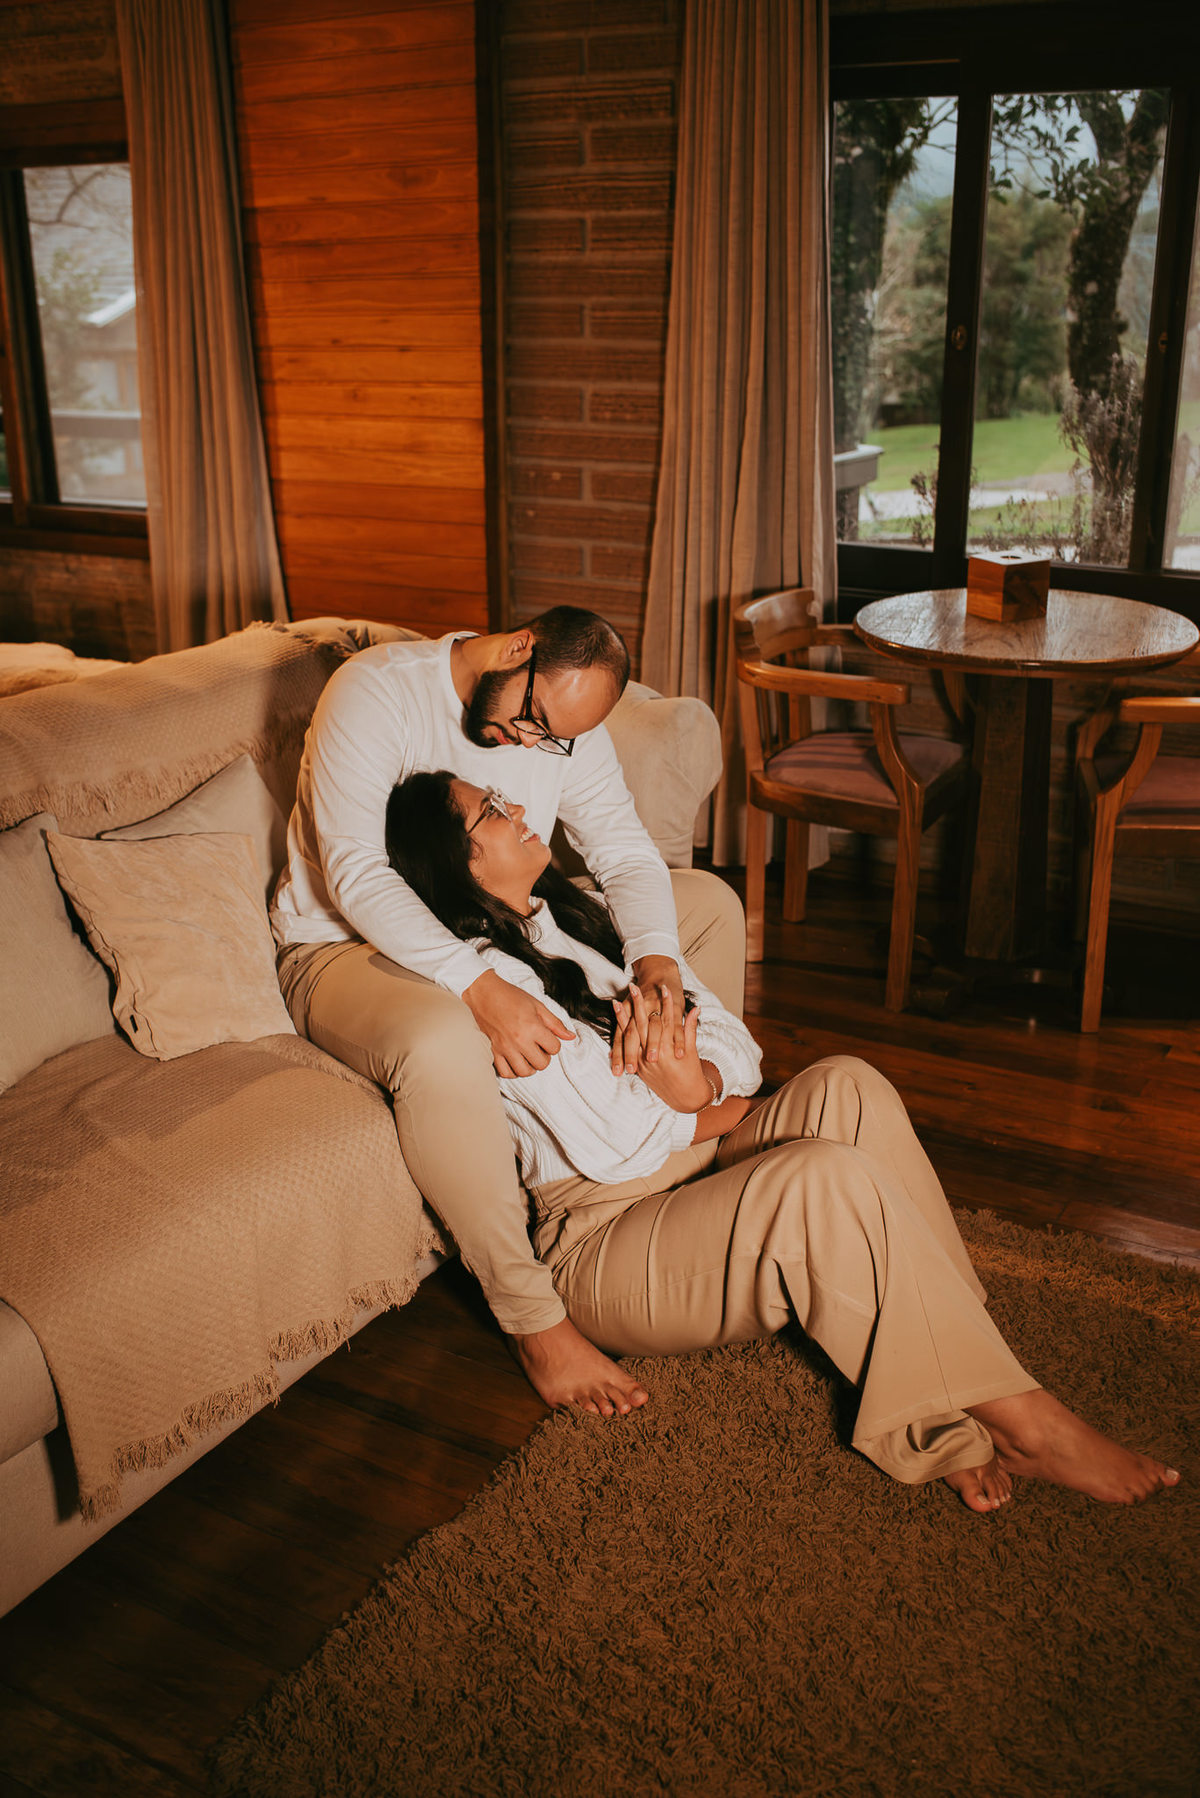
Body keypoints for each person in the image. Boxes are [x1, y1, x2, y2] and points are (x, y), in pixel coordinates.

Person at [383, 767, 1182, 1515]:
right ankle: (1027, 1422)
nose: (519, 809)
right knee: (819, 1178)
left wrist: (697, 1087)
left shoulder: (586, 918)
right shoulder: (488, 993)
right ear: (456, 865)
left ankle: (955, 1381)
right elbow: (617, 1144)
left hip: (692, 1167)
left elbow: (736, 1045)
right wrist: (716, 1106)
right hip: (602, 1236)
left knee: (848, 1085)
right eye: (490, 813)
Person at [271, 607, 745, 1419]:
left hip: (483, 918)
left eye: (554, 739)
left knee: (705, 905)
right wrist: (477, 986)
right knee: (440, 1037)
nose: (532, 745)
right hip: (342, 944)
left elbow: (622, 849)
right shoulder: (376, 692)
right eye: (532, 719)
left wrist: (659, 960)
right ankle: (534, 1319)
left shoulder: (560, 729)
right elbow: (356, 872)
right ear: (517, 649)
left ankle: (699, 1136)